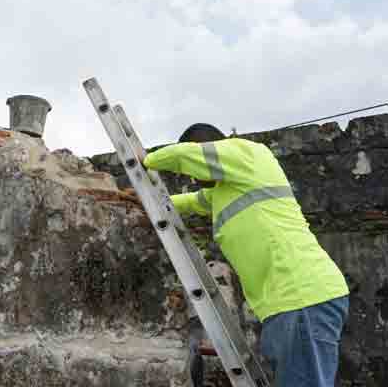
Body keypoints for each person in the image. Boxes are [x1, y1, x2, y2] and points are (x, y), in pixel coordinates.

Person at [143, 123, 349, 387]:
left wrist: (145, 161)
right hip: (285, 304)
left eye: (196, 171)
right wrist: (144, 202)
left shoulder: (248, 154)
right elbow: (192, 201)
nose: (194, 178)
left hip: (301, 297)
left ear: (209, 148)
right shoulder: (228, 187)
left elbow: (183, 155)